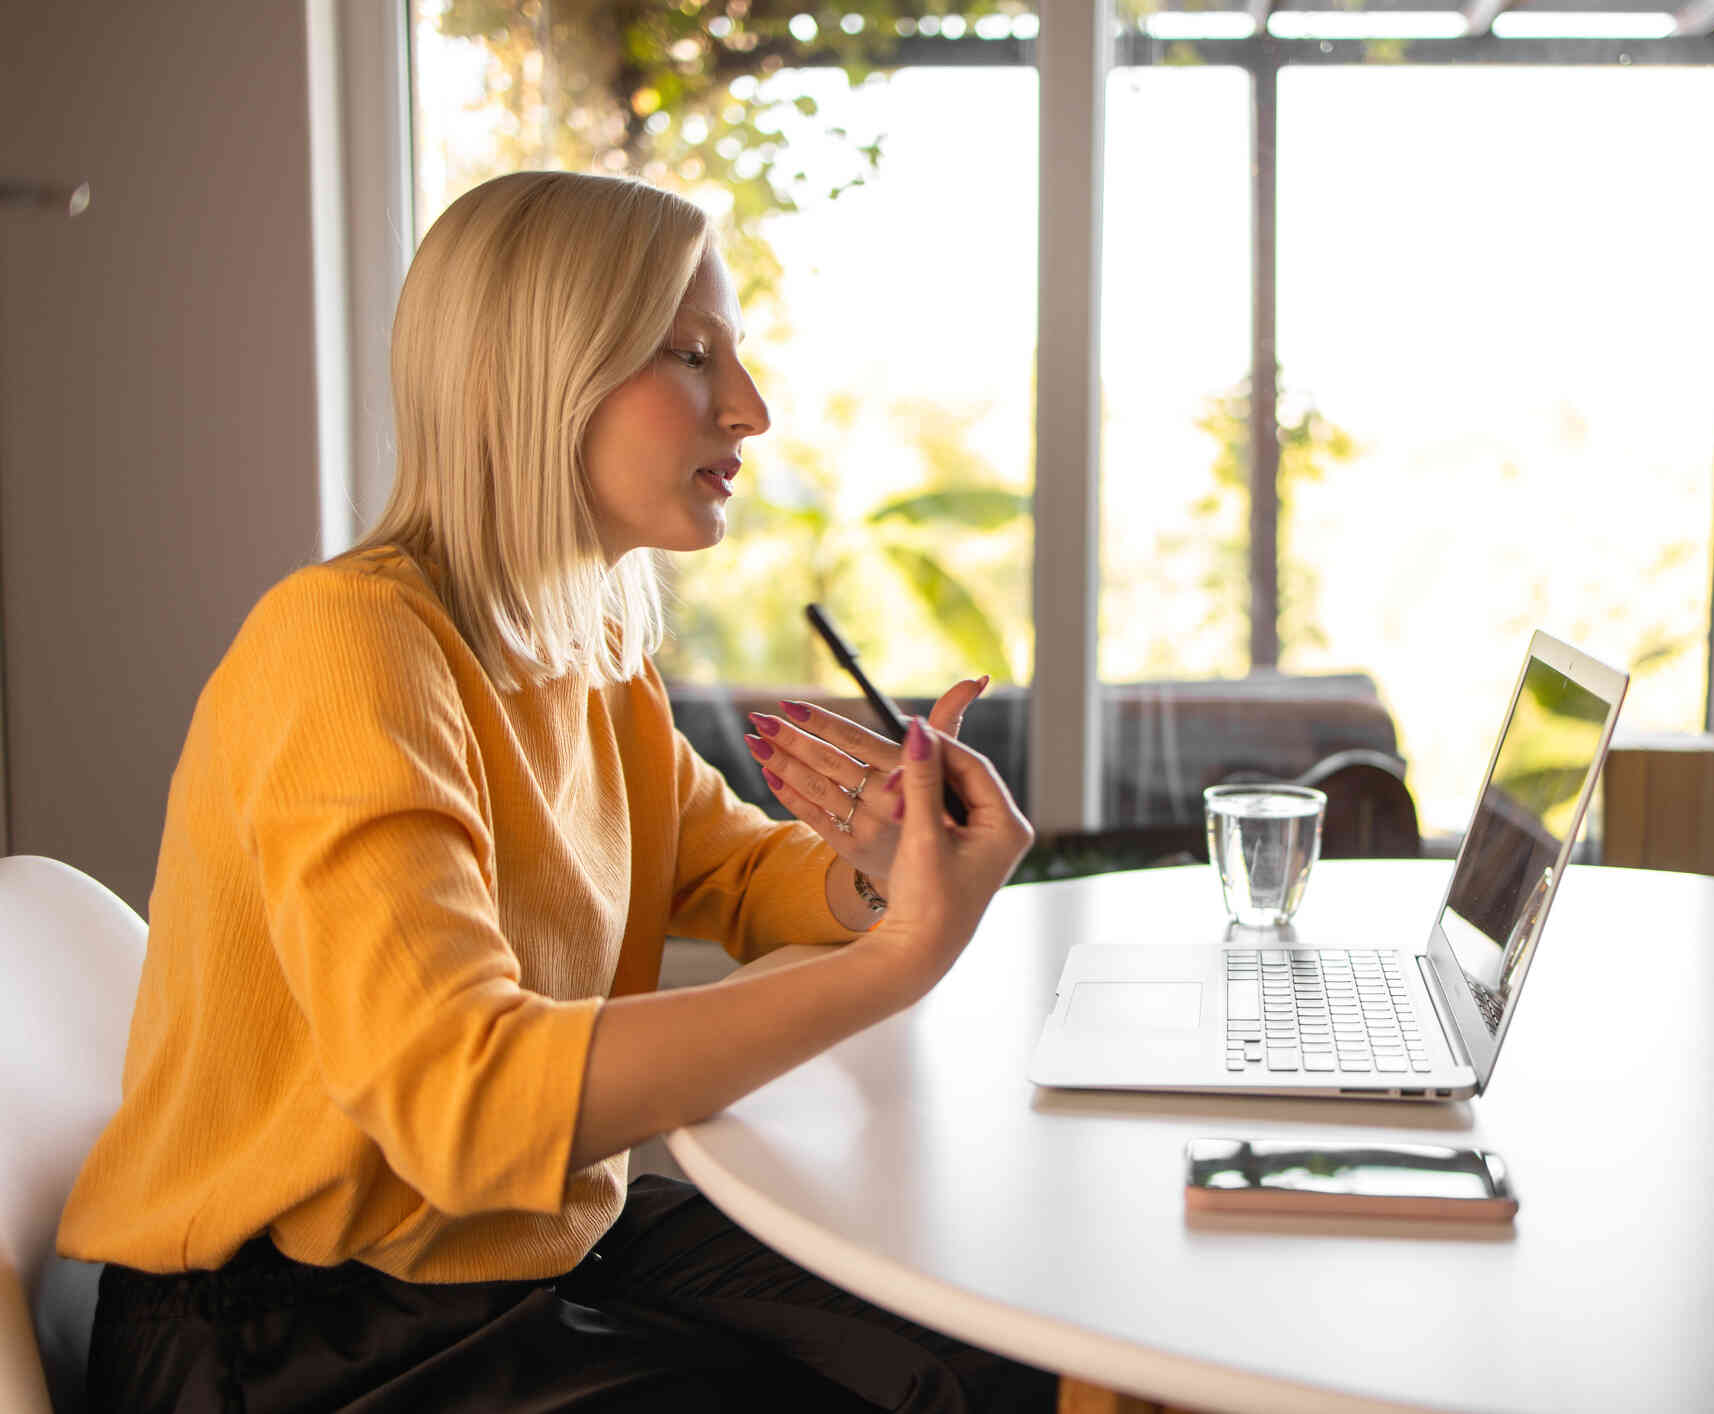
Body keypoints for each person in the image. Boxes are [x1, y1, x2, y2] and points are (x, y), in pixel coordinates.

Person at [56, 169, 1051, 1412]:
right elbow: (461, 1103)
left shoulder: (583, 655)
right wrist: (892, 957)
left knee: (994, 1355)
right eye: (691, 355)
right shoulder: (346, 645)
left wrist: (880, 865)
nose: (751, 408)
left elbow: (731, 868)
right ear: (534, 379)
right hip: (297, 1333)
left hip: (525, 1248)